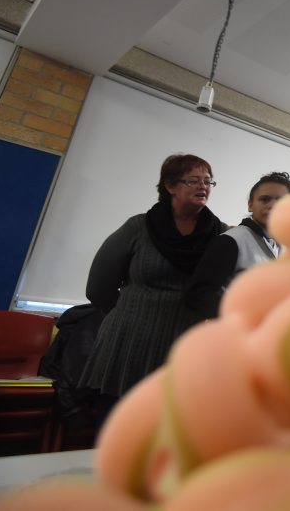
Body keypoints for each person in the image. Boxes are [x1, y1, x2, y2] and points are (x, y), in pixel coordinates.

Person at [80, 154, 225, 418]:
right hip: (129, 343)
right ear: (170, 186)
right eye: (193, 180)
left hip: (183, 348)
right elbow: (98, 287)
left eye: (208, 181)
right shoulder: (139, 227)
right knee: (118, 430)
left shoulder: (222, 236)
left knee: (168, 435)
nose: (203, 186)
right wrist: (134, 314)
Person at [189, 171, 290, 317]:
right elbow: (198, 294)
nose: (272, 206)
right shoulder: (232, 240)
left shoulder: (283, 246)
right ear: (250, 205)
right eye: (265, 199)